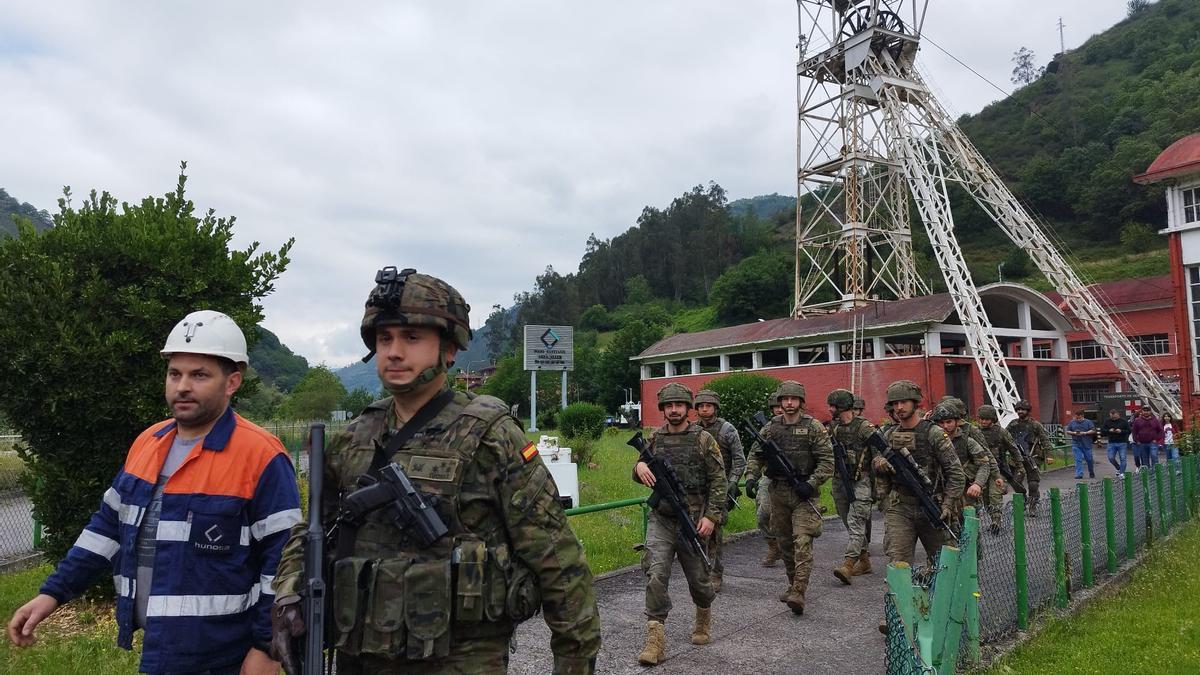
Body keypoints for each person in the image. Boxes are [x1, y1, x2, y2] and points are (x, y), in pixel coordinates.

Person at [269, 268, 601, 675]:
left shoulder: (493, 435)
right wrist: (288, 591)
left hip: (460, 660)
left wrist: (574, 663)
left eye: (411, 338)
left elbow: (559, 562)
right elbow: (315, 530)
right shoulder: (353, 438)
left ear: (449, 349)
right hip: (359, 656)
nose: (393, 351)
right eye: (384, 338)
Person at [7, 310, 300, 675]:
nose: (182, 386)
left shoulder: (261, 455)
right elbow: (105, 530)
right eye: (175, 373)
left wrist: (267, 648)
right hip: (160, 649)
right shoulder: (148, 443)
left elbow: (286, 562)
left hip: (227, 657)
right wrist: (52, 594)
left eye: (199, 375)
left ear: (232, 381)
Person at [633, 382, 725, 665]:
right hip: (661, 518)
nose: (674, 410)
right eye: (669, 406)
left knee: (699, 580)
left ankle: (703, 615)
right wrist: (638, 467)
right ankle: (655, 640)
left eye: (679, 406)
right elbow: (640, 469)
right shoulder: (655, 438)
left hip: (694, 519)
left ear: (688, 408)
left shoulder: (703, 439)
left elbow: (719, 480)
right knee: (655, 572)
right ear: (663, 409)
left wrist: (711, 517)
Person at [744, 380, 833, 616]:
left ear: (801, 402)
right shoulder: (771, 427)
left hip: (804, 494)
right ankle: (793, 583)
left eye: (793, 399)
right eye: (785, 399)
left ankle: (799, 592)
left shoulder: (814, 428)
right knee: (784, 542)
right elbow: (756, 454)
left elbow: (827, 462)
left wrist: (811, 483)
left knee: (802, 541)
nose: (789, 403)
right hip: (778, 492)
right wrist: (752, 476)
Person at [871, 380, 963, 580]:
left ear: (915, 403)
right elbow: (875, 463)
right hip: (899, 506)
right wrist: (878, 463)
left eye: (903, 402)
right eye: (895, 404)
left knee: (944, 566)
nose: (899, 408)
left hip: (932, 505)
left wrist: (948, 504)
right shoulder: (888, 434)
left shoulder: (933, 433)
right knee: (898, 565)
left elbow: (955, 473)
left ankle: (939, 607)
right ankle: (903, 609)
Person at [693, 388, 746, 592]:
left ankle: (716, 573)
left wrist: (731, 483)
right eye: (701, 406)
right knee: (695, 530)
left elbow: (739, 460)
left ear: (715, 408)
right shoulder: (693, 429)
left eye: (708, 405)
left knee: (714, 532)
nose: (704, 409)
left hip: (719, 487)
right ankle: (701, 571)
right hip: (696, 488)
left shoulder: (727, 429)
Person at [826, 389, 877, 585]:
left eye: (833, 406)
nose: (830, 410)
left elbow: (879, 451)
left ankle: (848, 565)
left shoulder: (864, 427)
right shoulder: (833, 428)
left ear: (842, 407)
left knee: (856, 523)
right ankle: (864, 562)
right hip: (839, 481)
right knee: (849, 523)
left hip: (861, 481)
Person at [939, 396, 1004, 532]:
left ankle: (995, 521)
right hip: (944, 486)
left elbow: (986, 455)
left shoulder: (970, 431)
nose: (946, 425)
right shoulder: (935, 432)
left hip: (967, 482)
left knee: (968, 528)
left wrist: (996, 474)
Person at [930, 405, 992, 531]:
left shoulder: (967, 442)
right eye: (941, 423)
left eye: (949, 422)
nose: (945, 426)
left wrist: (978, 484)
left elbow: (984, 464)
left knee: (969, 534)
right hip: (940, 495)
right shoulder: (931, 442)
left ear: (957, 422)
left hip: (965, 495)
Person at [977, 405, 1028, 508]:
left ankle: (997, 518)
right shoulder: (976, 432)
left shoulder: (1001, 432)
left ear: (992, 419)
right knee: (985, 496)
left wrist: (1020, 465)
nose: (983, 422)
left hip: (1000, 467)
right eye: (982, 419)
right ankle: (990, 512)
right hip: (982, 467)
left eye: (986, 419)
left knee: (995, 494)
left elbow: (1013, 449)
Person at [1006, 400, 1048, 517]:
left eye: (1023, 409)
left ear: (1028, 411)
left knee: (1033, 484)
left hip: (1032, 457)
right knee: (1016, 482)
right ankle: (1023, 500)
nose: (1020, 412)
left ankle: (1033, 505)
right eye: (1018, 409)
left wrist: (1049, 455)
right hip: (1017, 459)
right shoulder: (1013, 424)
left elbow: (1045, 439)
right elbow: (1004, 437)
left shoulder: (1035, 425)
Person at [757, 390, 784, 568]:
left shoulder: (804, 425)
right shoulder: (766, 428)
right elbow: (755, 453)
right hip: (770, 476)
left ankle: (793, 551)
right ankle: (774, 546)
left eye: (780, 406)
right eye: (775, 407)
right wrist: (751, 476)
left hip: (794, 478)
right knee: (763, 515)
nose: (779, 410)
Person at [1065, 410, 1097, 479]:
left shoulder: (1088, 422)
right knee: (1078, 459)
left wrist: (1085, 433)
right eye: (1076, 418)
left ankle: (1091, 471)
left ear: (1083, 416)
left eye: (1079, 418)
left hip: (1086, 444)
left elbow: (1093, 430)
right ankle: (1079, 474)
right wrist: (1074, 433)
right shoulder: (1072, 422)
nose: (1078, 419)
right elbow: (1068, 430)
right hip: (1076, 443)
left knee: (1089, 459)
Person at [1102, 408, 1131, 476]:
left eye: (1114, 417)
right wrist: (1109, 430)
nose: (1113, 418)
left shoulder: (1123, 421)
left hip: (1122, 442)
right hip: (1111, 442)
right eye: (1112, 417)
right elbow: (1102, 431)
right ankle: (1118, 468)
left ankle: (1122, 473)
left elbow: (1129, 431)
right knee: (1111, 458)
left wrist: (1121, 431)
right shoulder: (1107, 421)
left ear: (1118, 414)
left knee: (1123, 458)